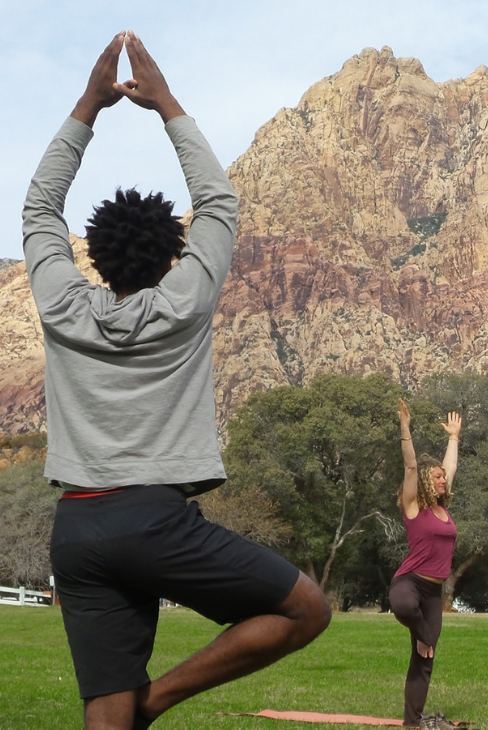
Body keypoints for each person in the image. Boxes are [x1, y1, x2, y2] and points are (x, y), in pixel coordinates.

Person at [24, 32, 331, 730]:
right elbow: (218, 204)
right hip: (153, 519)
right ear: (171, 256)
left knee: (103, 712)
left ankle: (130, 709)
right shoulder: (185, 301)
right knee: (306, 608)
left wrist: (87, 107)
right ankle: (156, 702)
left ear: (95, 256)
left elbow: (40, 212)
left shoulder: (64, 305)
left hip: (77, 527)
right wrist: (167, 106)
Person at [389, 399, 461, 727]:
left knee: (424, 659)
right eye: (437, 477)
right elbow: (410, 468)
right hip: (410, 582)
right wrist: (405, 428)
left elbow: (450, 468)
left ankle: (412, 723)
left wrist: (454, 438)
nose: (443, 480)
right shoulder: (414, 507)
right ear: (425, 483)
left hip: (434, 594)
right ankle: (421, 631)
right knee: (403, 606)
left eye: (443, 477)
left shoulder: (444, 511)